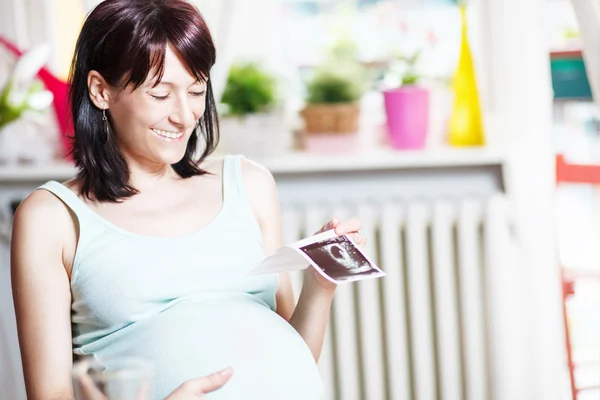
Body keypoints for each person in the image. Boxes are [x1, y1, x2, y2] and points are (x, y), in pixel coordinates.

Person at [10, 1, 366, 400]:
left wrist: (319, 286)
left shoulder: (249, 184)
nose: (185, 115)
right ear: (100, 90)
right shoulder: (51, 218)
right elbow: (50, 395)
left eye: (197, 90)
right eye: (160, 94)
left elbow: (294, 356)